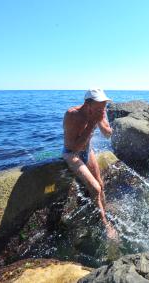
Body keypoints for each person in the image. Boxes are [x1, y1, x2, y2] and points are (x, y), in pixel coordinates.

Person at [62, 88, 117, 239]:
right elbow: (74, 147)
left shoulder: (100, 112)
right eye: (100, 105)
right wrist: (92, 123)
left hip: (87, 150)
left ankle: (103, 210)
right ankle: (105, 225)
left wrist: (100, 121)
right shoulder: (72, 115)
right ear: (88, 104)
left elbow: (107, 135)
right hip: (71, 153)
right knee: (95, 187)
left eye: (104, 104)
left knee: (101, 184)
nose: (103, 108)